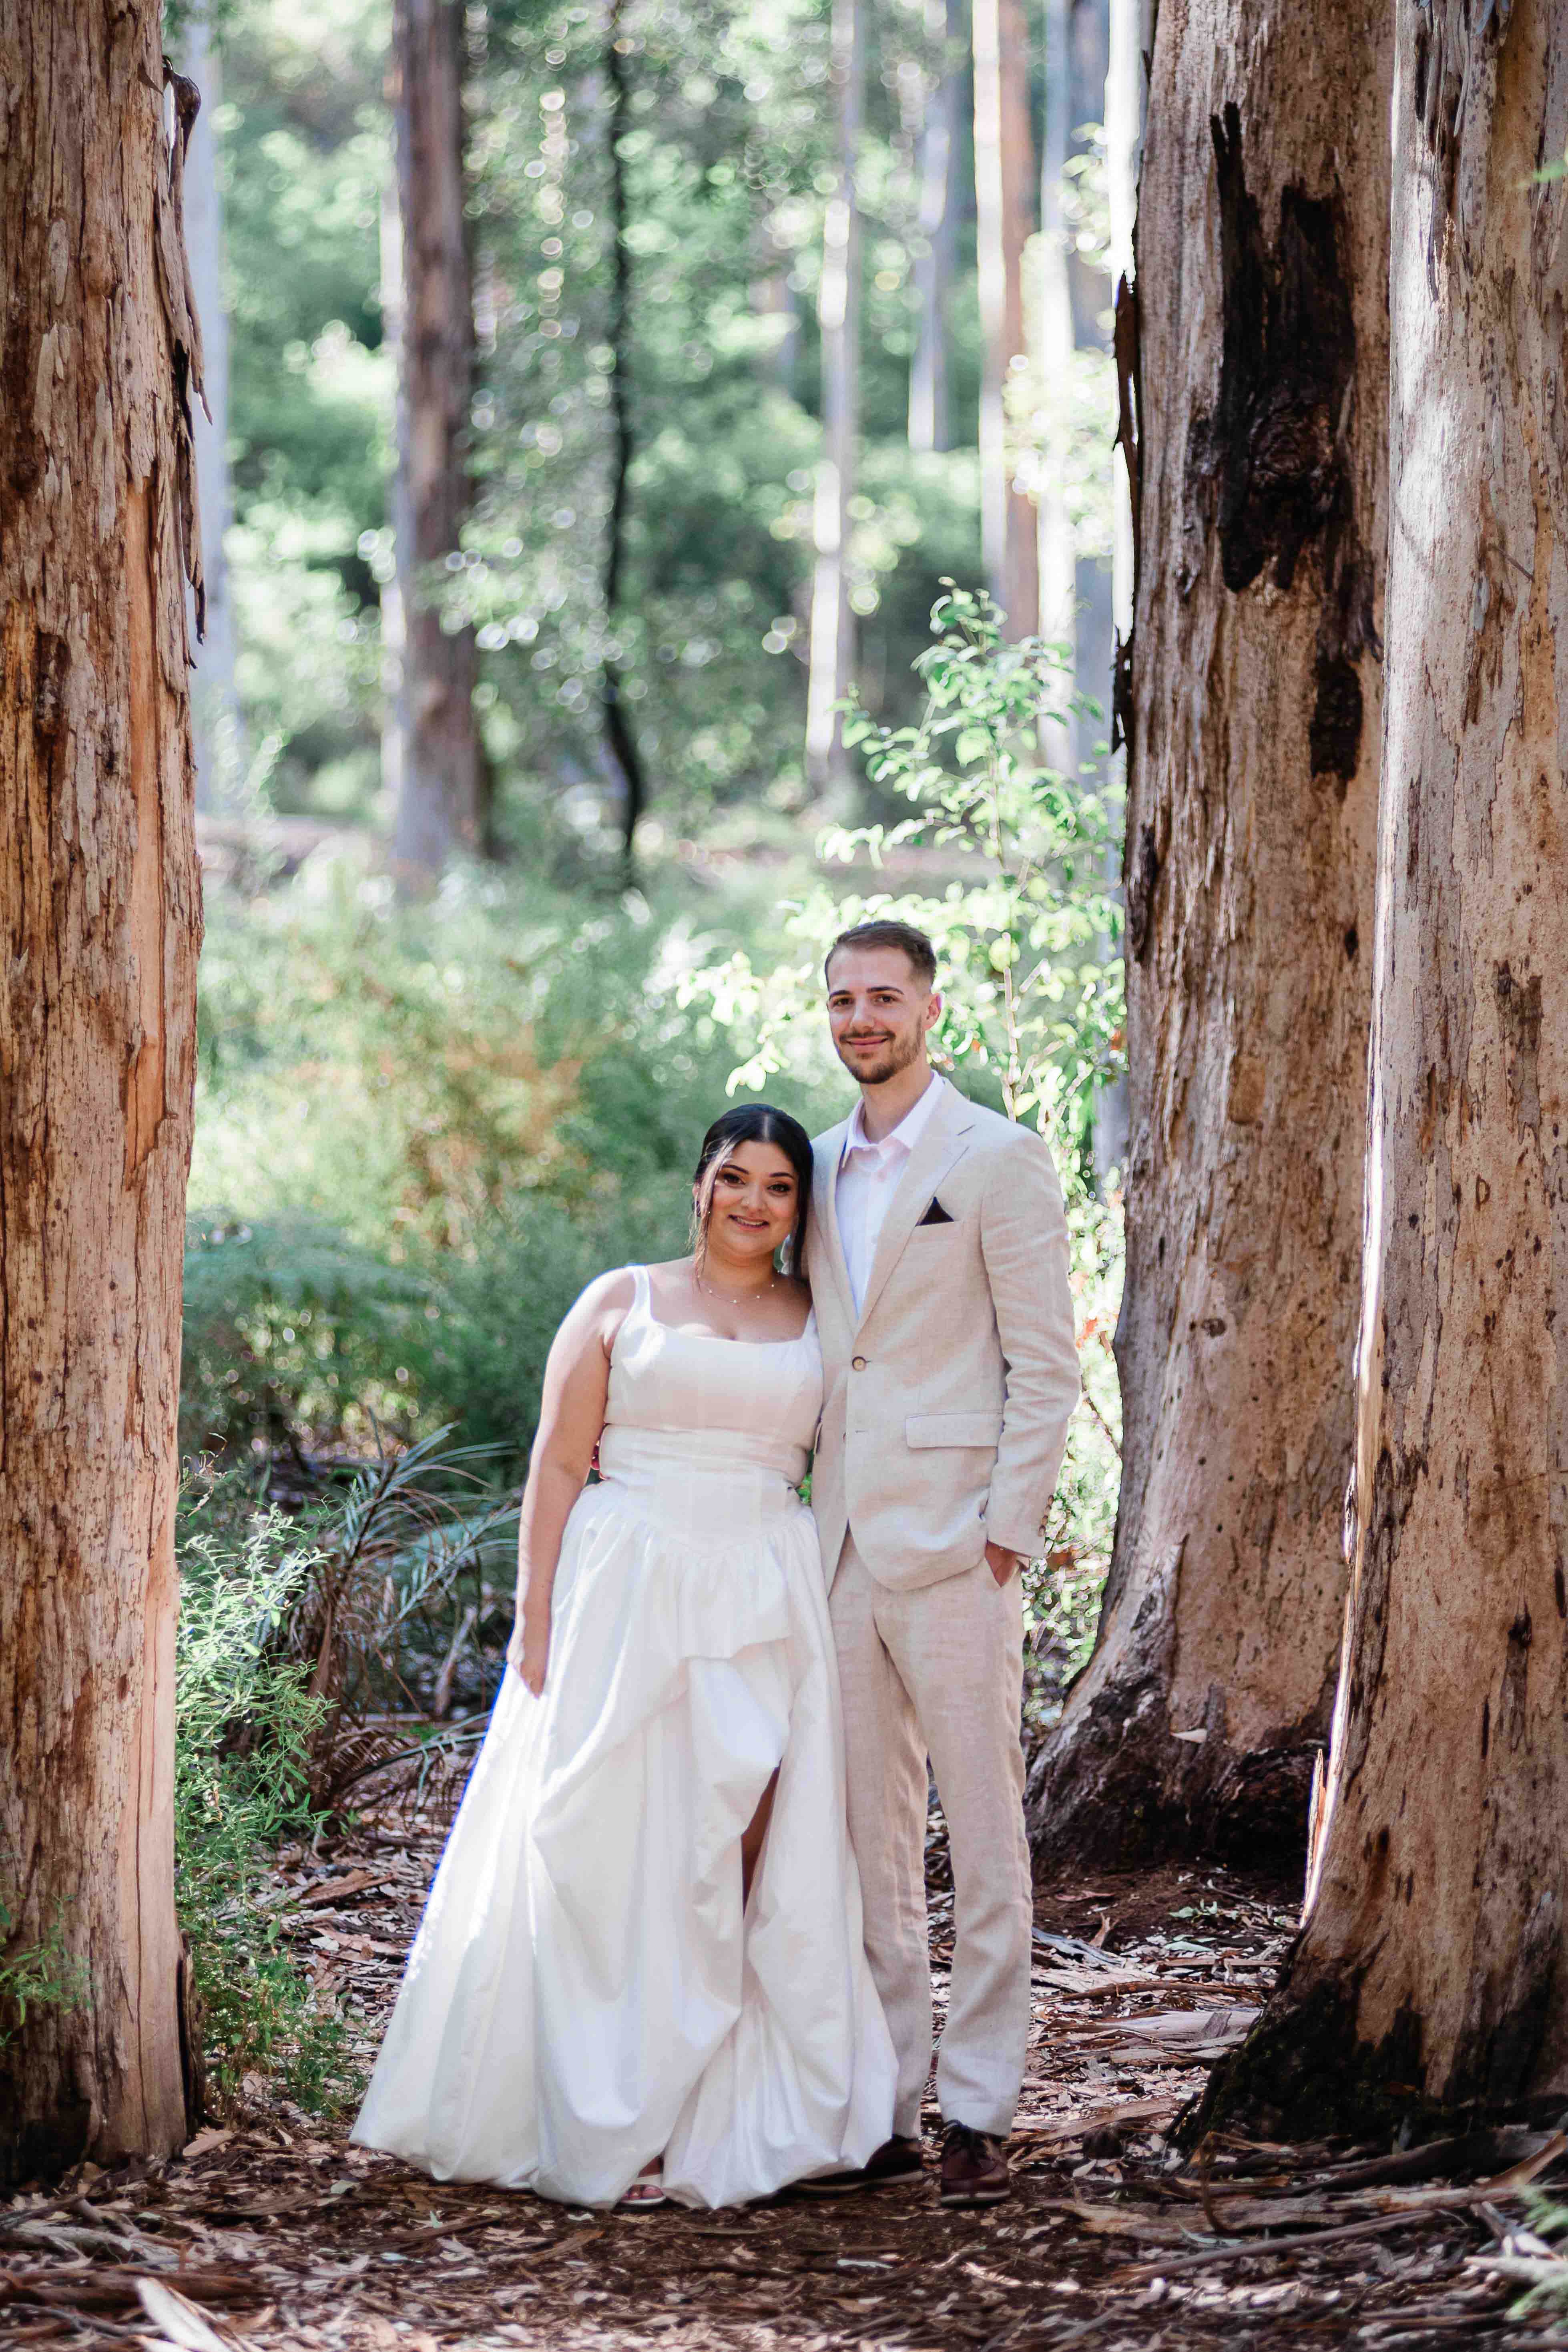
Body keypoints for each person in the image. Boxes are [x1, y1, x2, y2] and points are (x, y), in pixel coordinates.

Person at [353, 1105, 896, 2211]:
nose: (753, 1200)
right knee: (602, 1832)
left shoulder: (822, 1315)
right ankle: (588, 2096)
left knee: (734, 1837)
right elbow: (557, 1465)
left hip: (761, 1581)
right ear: (699, 1185)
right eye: (734, 1176)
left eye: (779, 1185)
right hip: (624, 1582)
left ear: (803, 1205)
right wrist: (534, 1610)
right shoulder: (621, 1299)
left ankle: (711, 2104)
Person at [803, 919, 1080, 2210]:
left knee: (983, 1829)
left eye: (885, 997)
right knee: (866, 1837)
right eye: (845, 999)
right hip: (844, 1547)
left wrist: (1008, 1528)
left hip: (961, 1543)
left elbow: (1048, 1360)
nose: (863, 1017)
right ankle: (884, 2100)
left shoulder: (996, 1158)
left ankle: (978, 2103)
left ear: (929, 1009)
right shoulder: (807, 1165)